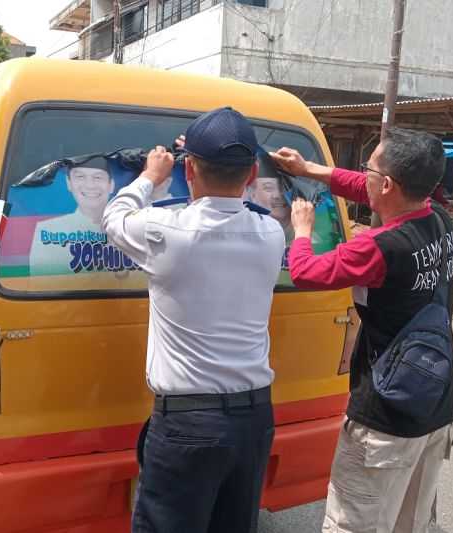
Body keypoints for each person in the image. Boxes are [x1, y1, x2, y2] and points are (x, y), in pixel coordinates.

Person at [103, 107, 285, 533]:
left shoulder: (165, 229)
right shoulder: (271, 234)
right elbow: (228, 210)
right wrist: (194, 170)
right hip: (255, 420)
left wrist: (150, 175)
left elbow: (113, 219)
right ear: (253, 172)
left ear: (189, 170)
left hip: (189, 425)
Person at [270, 127, 453, 533]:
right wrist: (312, 170)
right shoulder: (439, 219)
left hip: (384, 420)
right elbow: (367, 188)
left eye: (369, 169)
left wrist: (302, 230)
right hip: (434, 405)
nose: (364, 176)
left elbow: (305, 272)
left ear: (388, 183)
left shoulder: (377, 247)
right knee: (411, 523)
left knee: (354, 524)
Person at [29, 160, 115, 275]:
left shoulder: (136, 227)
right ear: (69, 183)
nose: (90, 185)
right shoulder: (48, 231)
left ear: (111, 185)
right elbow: (40, 284)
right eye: (80, 177)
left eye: (98, 177)